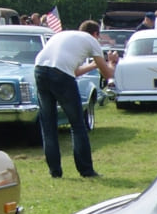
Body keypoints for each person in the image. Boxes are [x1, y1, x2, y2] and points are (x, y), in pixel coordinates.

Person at [33, 20, 113, 178]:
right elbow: (108, 74)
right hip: (61, 74)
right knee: (77, 125)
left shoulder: (64, 35)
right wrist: (111, 62)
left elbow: (74, 71)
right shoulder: (92, 41)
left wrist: (92, 65)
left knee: (48, 126)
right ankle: (86, 170)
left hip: (40, 69)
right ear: (95, 34)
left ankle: (55, 171)